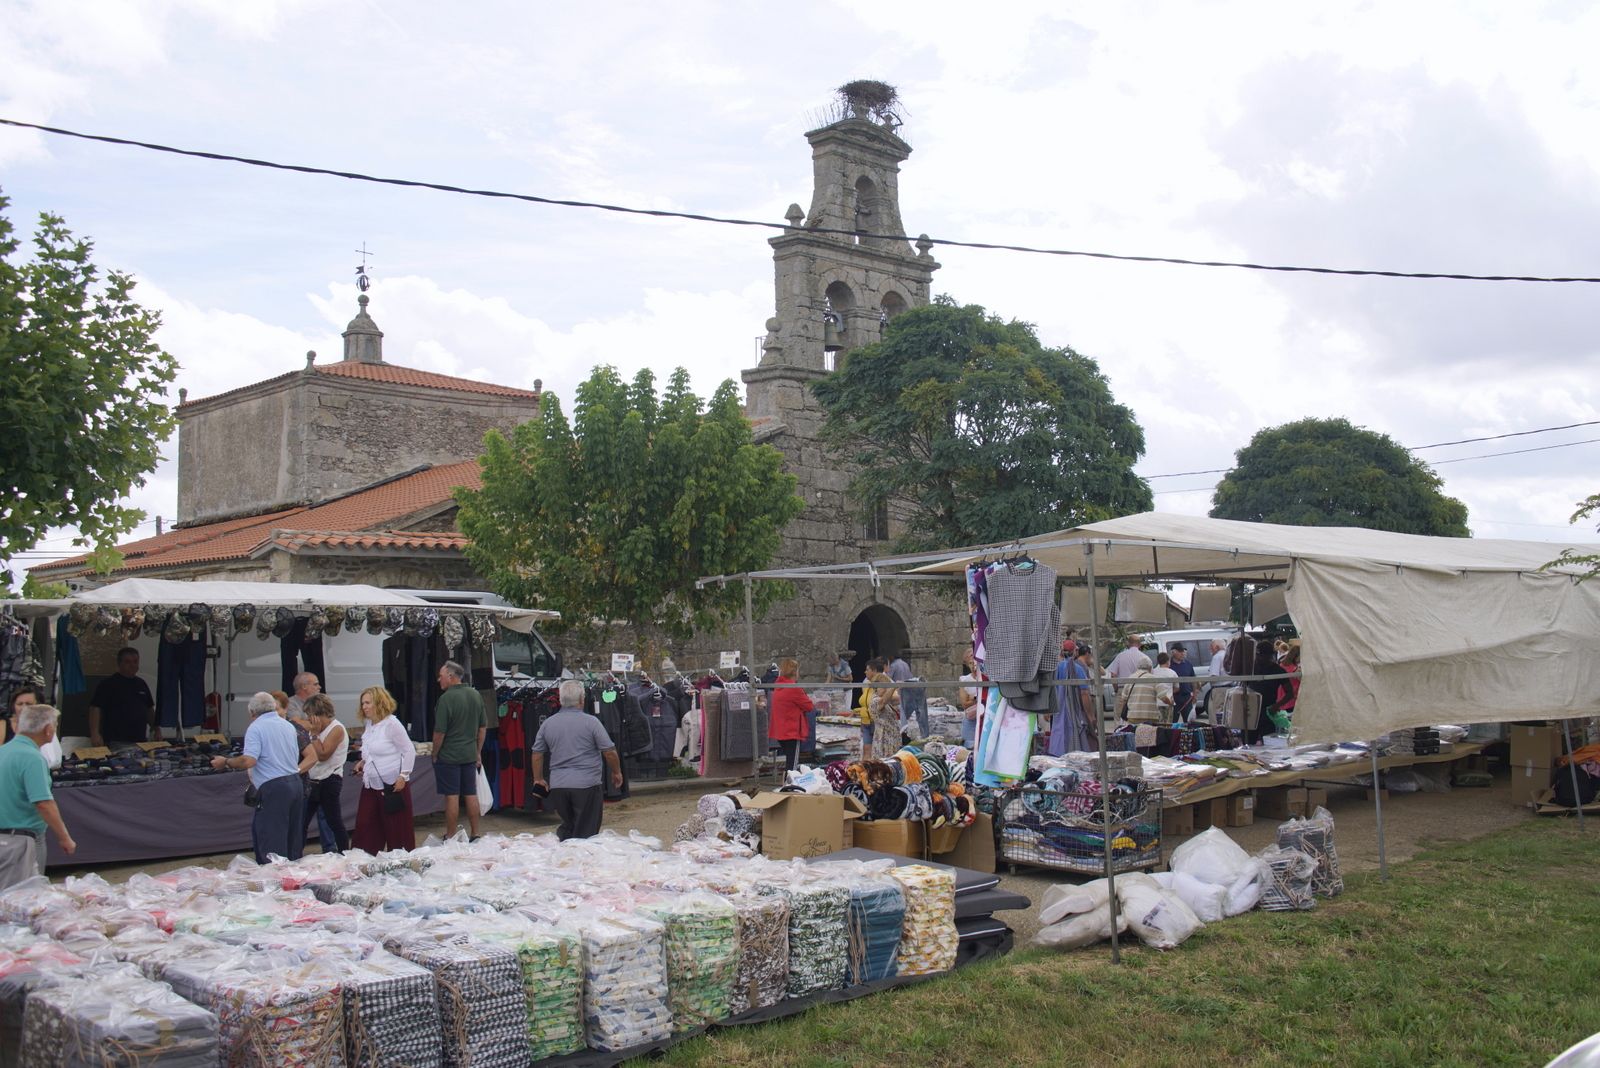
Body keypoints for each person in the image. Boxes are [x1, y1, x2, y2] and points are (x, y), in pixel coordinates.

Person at [212, 691, 304, 864]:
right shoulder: (287, 725)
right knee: (292, 839)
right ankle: (293, 880)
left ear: (252, 712)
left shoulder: (256, 727)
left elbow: (248, 760)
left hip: (274, 786)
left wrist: (226, 761)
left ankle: (275, 884)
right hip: (294, 782)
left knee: (271, 842)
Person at [530, 679, 623, 840]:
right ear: (582, 699)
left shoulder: (548, 724)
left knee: (569, 826)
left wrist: (538, 779)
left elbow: (537, 753)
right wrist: (617, 772)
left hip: (559, 786)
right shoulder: (591, 723)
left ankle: (565, 857)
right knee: (586, 832)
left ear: (560, 700)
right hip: (587, 785)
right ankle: (579, 861)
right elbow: (609, 752)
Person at [0, 702, 75, 888]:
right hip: (19, 840)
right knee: (21, 901)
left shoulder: (4, 752)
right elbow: (43, 803)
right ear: (48, 730)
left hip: (7, 838)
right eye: (55, 726)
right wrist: (64, 837)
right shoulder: (32, 758)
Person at [352, 686, 416, 853]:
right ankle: (365, 859)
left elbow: (409, 750)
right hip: (371, 783)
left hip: (392, 784)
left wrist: (403, 775)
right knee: (365, 824)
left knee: (396, 828)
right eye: (363, 703)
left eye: (368, 703)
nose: (364, 706)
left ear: (379, 703)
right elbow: (371, 749)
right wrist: (363, 762)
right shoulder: (370, 724)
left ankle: (401, 862)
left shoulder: (392, 724)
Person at [431, 660, 487, 840]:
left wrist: (435, 753)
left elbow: (440, 732)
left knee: (452, 796)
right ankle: (476, 832)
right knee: (471, 793)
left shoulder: (446, 698)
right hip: (469, 754)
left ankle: (451, 834)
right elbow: (482, 728)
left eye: (441, 676)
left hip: (449, 756)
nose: (439, 679)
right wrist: (477, 751)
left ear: (450, 676)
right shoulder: (475, 695)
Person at [297, 694, 350, 853]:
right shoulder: (315, 729)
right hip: (312, 780)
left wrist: (313, 734)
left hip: (330, 780)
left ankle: (343, 853)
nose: (308, 719)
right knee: (302, 822)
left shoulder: (337, 729)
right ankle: (295, 854)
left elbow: (323, 754)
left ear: (319, 715)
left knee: (333, 820)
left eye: (310, 715)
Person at [88, 647, 157, 748]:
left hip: (140, 741)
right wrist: (94, 734)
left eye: (135, 661)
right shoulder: (108, 684)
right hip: (115, 741)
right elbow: (95, 708)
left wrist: (155, 728)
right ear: (119, 663)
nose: (132, 665)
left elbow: (149, 709)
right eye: (128, 662)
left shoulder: (141, 684)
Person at [768, 658, 815, 771]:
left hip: (780, 730)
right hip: (791, 731)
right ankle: (789, 785)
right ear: (794, 672)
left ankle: (786, 783)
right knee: (792, 764)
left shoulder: (778, 687)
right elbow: (809, 706)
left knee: (789, 761)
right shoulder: (794, 688)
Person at [863, 657, 901, 759]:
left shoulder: (888, 699)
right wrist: (893, 687)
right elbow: (882, 702)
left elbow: (896, 699)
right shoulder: (875, 700)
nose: (883, 689)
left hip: (892, 737)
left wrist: (893, 687)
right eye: (881, 687)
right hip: (883, 739)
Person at [1116, 654, 1162, 724]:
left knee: (1135, 734)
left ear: (1138, 667)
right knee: (1150, 734)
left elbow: (1123, 699)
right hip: (1151, 716)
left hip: (1133, 716)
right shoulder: (1154, 679)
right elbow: (1163, 696)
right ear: (1150, 667)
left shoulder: (1130, 678)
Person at [957, 648, 980, 748]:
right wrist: (975, 699)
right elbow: (964, 704)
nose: (973, 666)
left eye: (975, 663)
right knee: (969, 745)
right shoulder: (965, 680)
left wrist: (972, 698)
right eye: (970, 663)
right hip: (972, 717)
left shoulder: (987, 678)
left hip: (986, 716)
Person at [1170, 645, 1197, 722]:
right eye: (1180, 652)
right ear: (1173, 653)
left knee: (1189, 722)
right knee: (1173, 722)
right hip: (1174, 697)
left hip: (1187, 698)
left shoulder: (1188, 664)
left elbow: (1193, 679)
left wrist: (1195, 694)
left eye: (1183, 652)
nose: (1182, 654)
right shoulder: (1169, 665)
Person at [1152, 651, 1179, 721]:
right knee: (1168, 724)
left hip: (1156, 703)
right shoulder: (1172, 673)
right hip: (1169, 701)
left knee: (1157, 725)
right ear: (1168, 661)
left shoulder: (1153, 672)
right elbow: (1177, 688)